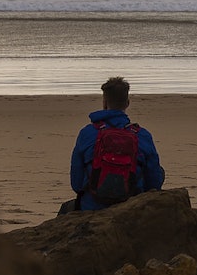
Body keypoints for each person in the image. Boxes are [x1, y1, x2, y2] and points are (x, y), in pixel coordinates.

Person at [68, 76, 164, 211]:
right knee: (159, 171)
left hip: (92, 205)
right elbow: (154, 183)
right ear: (127, 103)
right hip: (132, 205)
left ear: (104, 102)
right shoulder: (142, 135)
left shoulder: (88, 133)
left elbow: (76, 184)